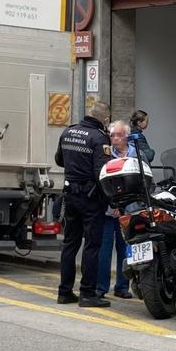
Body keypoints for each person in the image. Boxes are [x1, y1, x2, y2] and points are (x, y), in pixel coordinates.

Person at [54, 101, 112, 308]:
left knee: (70, 244)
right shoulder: (99, 138)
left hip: (70, 194)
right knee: (92, 246)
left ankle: (64, 291)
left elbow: (59, 160)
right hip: (90, 198)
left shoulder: (68, 132)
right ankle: (87, 293)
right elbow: (102, 173)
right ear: (105, 120)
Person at [98, 121, 135, 300]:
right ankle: (101, 287)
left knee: (125, 248)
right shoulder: (105, 154)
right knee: (104, 249)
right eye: (112, 135)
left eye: (118, 135)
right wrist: (113, 205)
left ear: (126, 136)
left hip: (128, 210)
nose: (114, 138)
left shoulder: (136, 154)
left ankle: (122, 286)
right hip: (108, 210)